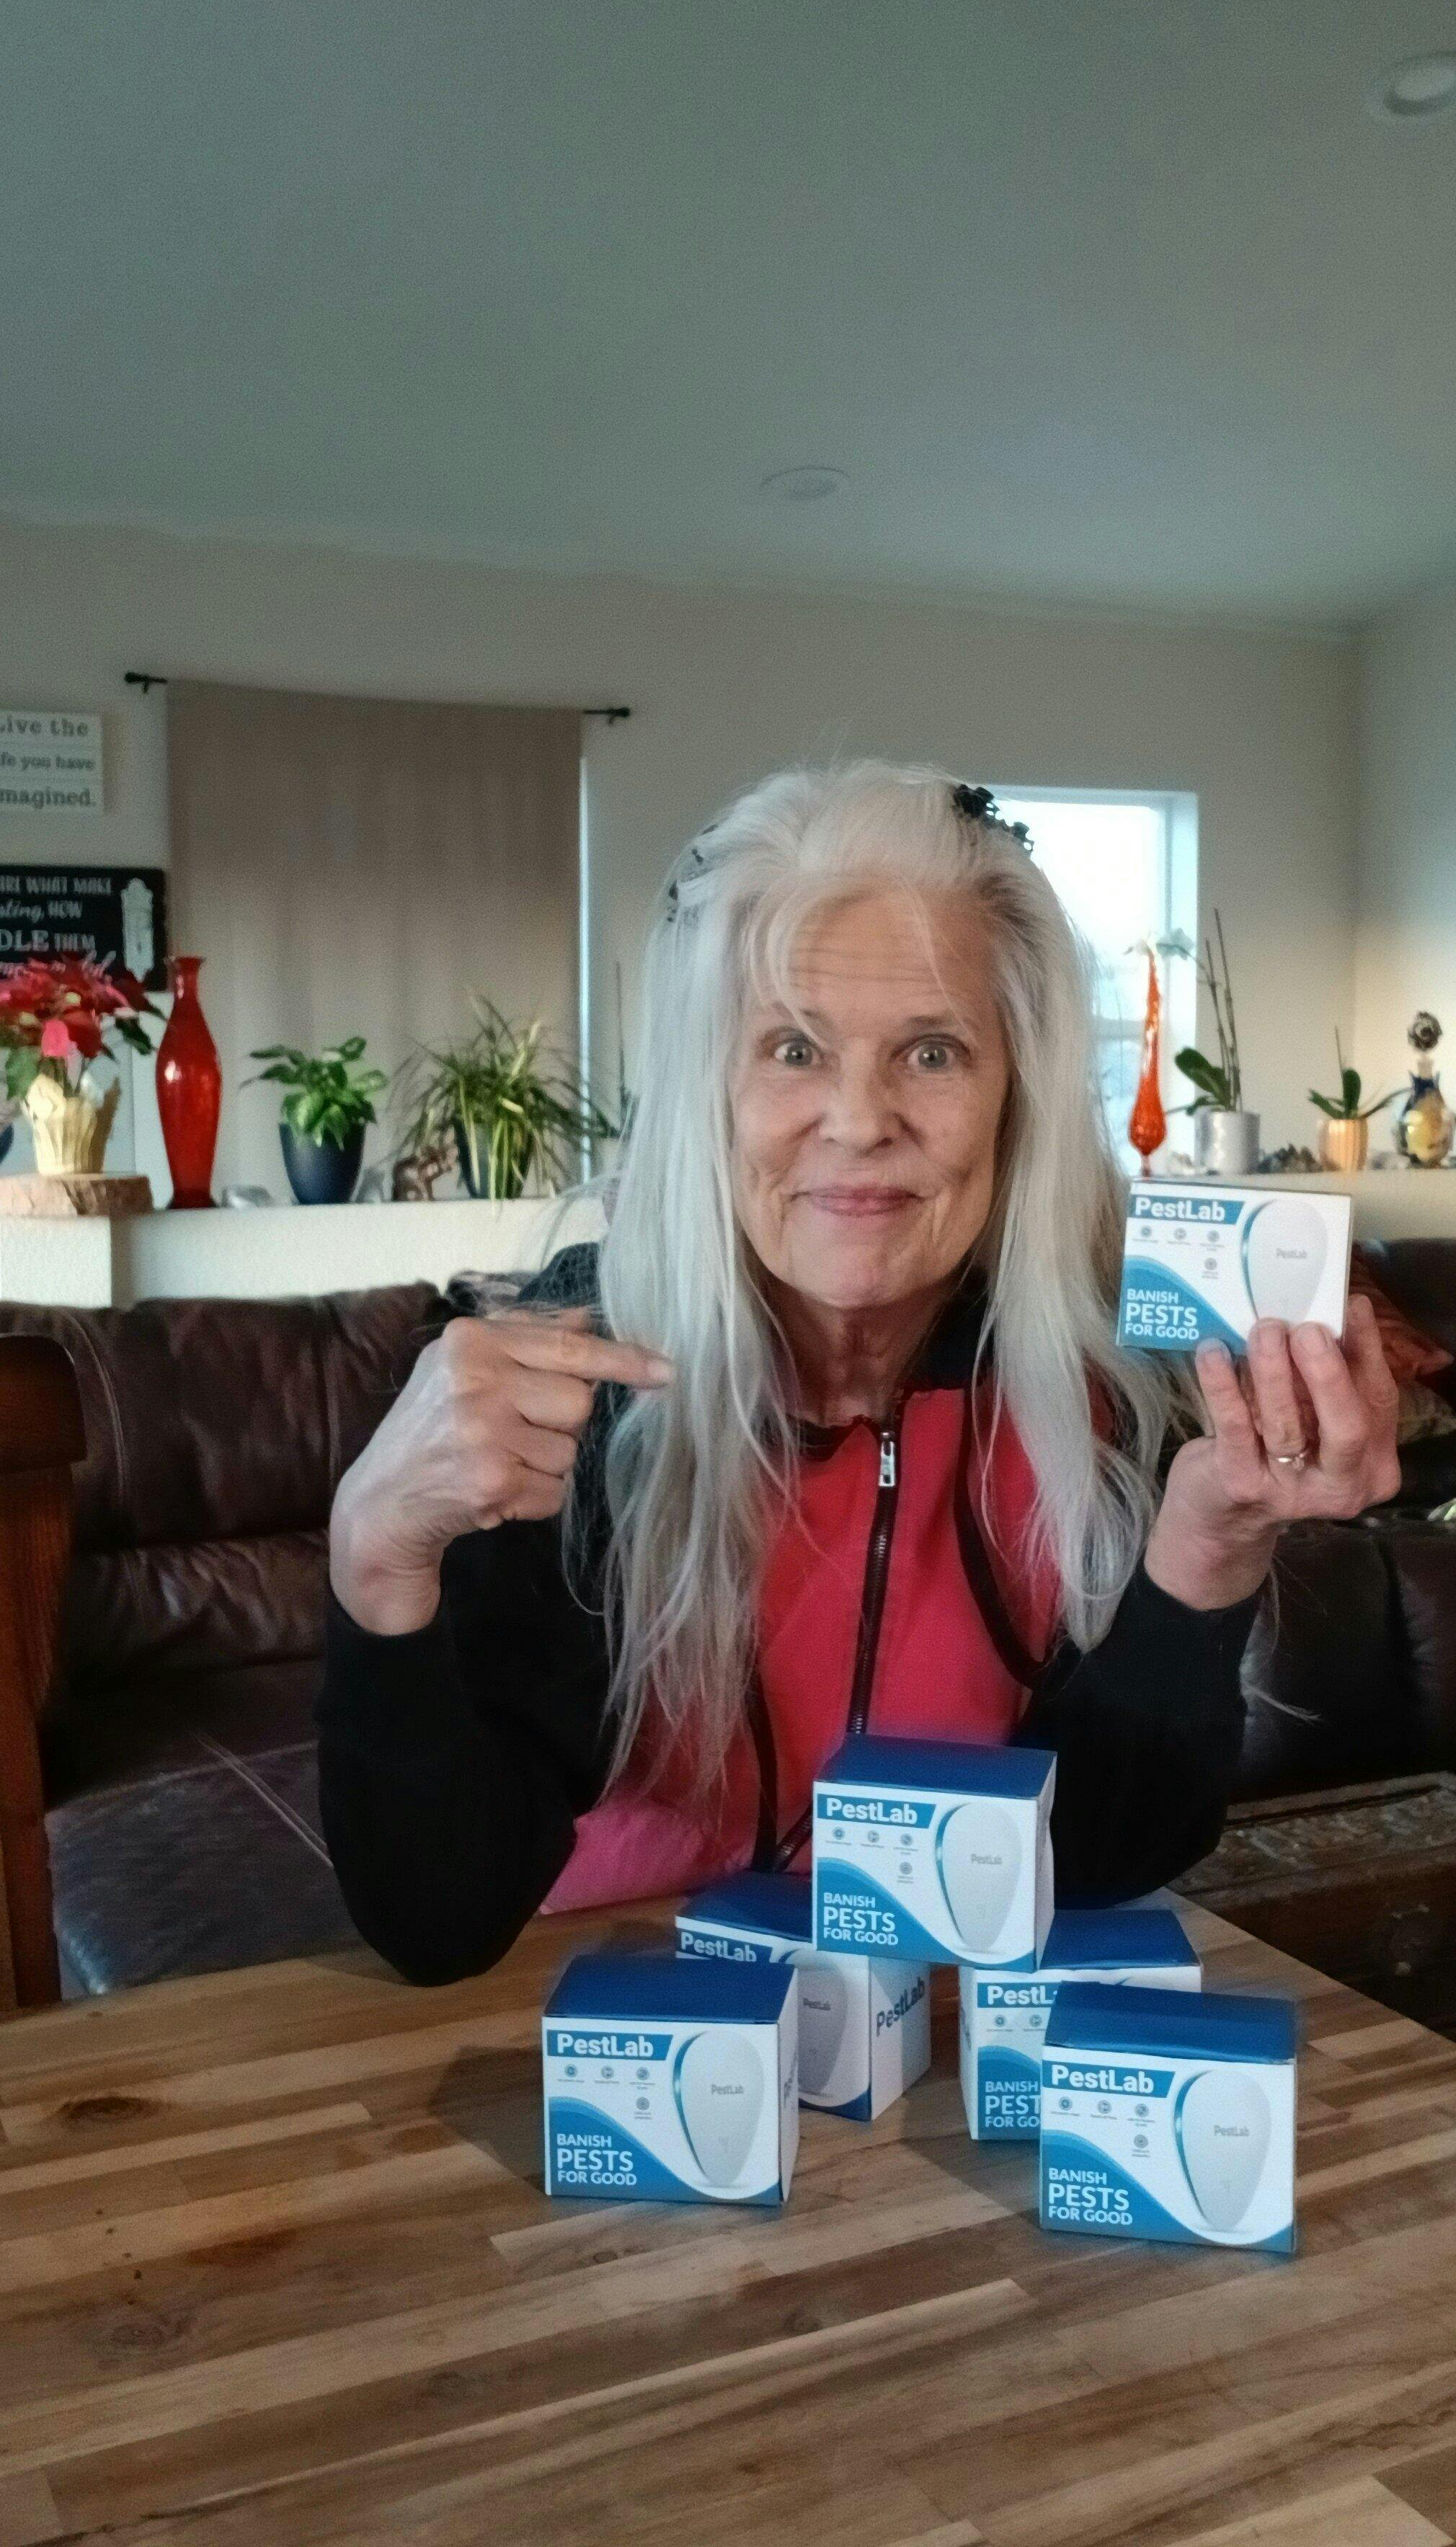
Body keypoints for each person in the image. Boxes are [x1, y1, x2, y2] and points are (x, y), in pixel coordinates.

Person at [319, 761, 1400, 1985]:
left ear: (1018, 1101)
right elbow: (440, 1923)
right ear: (709, 1094)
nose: (858, 1119)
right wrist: (373, 1556)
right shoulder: (577, 1388)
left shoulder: (1114, 1389)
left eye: (932, 1053)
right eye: (793, 1048)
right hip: (630, 2014)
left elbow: (1099, 1859)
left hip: (943, 2031)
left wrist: (1207, 1555)